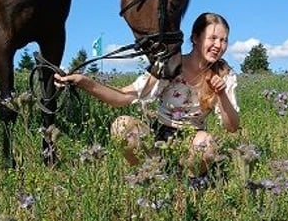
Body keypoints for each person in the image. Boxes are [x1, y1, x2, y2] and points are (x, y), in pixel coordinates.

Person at [54, 12, 240, 182]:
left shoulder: (224, 74)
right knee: (121, 125)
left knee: (206, 144)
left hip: (193, 139)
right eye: (212, 38)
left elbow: (231, 127)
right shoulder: (170, 65)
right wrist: (83, 81)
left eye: (224, 40)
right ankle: (146, 176)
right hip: (159, 136)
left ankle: (188, 182)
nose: (218, 45)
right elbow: (122, 98)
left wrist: (221, 94)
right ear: (195, 38)